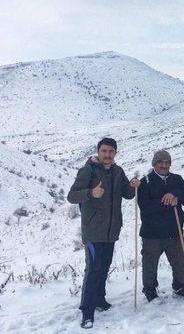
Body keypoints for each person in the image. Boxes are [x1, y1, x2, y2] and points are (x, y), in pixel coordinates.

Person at [67, 137, 140, 329]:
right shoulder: (88, 171)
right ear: (98, 151)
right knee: (92, 270)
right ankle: (87, 312)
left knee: (104, 266)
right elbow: (71, 196)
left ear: (115, 153)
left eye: (111, 151)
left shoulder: (118, 171)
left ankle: (100, 299)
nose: (107, 155)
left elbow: (128, 194)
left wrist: (133, 184)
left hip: (111, 230)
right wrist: (91, 193)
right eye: (104, 151)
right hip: (93, 231)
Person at [137, 150, 184, 302]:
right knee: (150, 263)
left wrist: (175, 195)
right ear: (154, 163)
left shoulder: (176, 178)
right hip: (152, 233)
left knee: (180, 261)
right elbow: (145, 207)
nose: (164, 165)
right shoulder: (145, 182)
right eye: (160, 162)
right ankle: (149, 289)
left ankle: (179, 286)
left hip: (174, 230)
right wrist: (167, 201)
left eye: (167, 162)